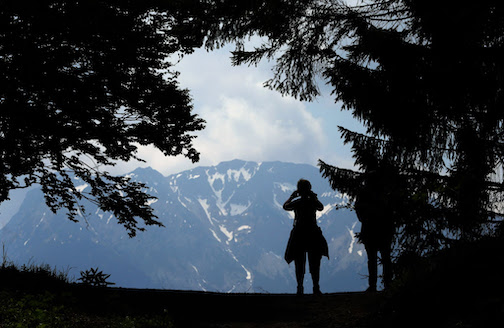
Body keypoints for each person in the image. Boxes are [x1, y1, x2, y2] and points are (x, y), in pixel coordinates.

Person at [283, 179, 328, 295]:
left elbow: (285, 206)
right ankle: (316, 287)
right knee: (315, 262)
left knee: (299, 262)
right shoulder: (312, 202)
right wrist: (314, 197)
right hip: (313, 233)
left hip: (299, 234)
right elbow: (321, 207)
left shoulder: (297, 202)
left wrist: (292, 197)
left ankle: (300, 287)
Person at [354, 169, 395, 292]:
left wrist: (364, 219)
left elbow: (358, 209)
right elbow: (390, 211)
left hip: (370, 229)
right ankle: (388, 284)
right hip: (383, 229)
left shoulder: (363, 193)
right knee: (385, 257)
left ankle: (373, 285)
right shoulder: (384, 193)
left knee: (372, 258)